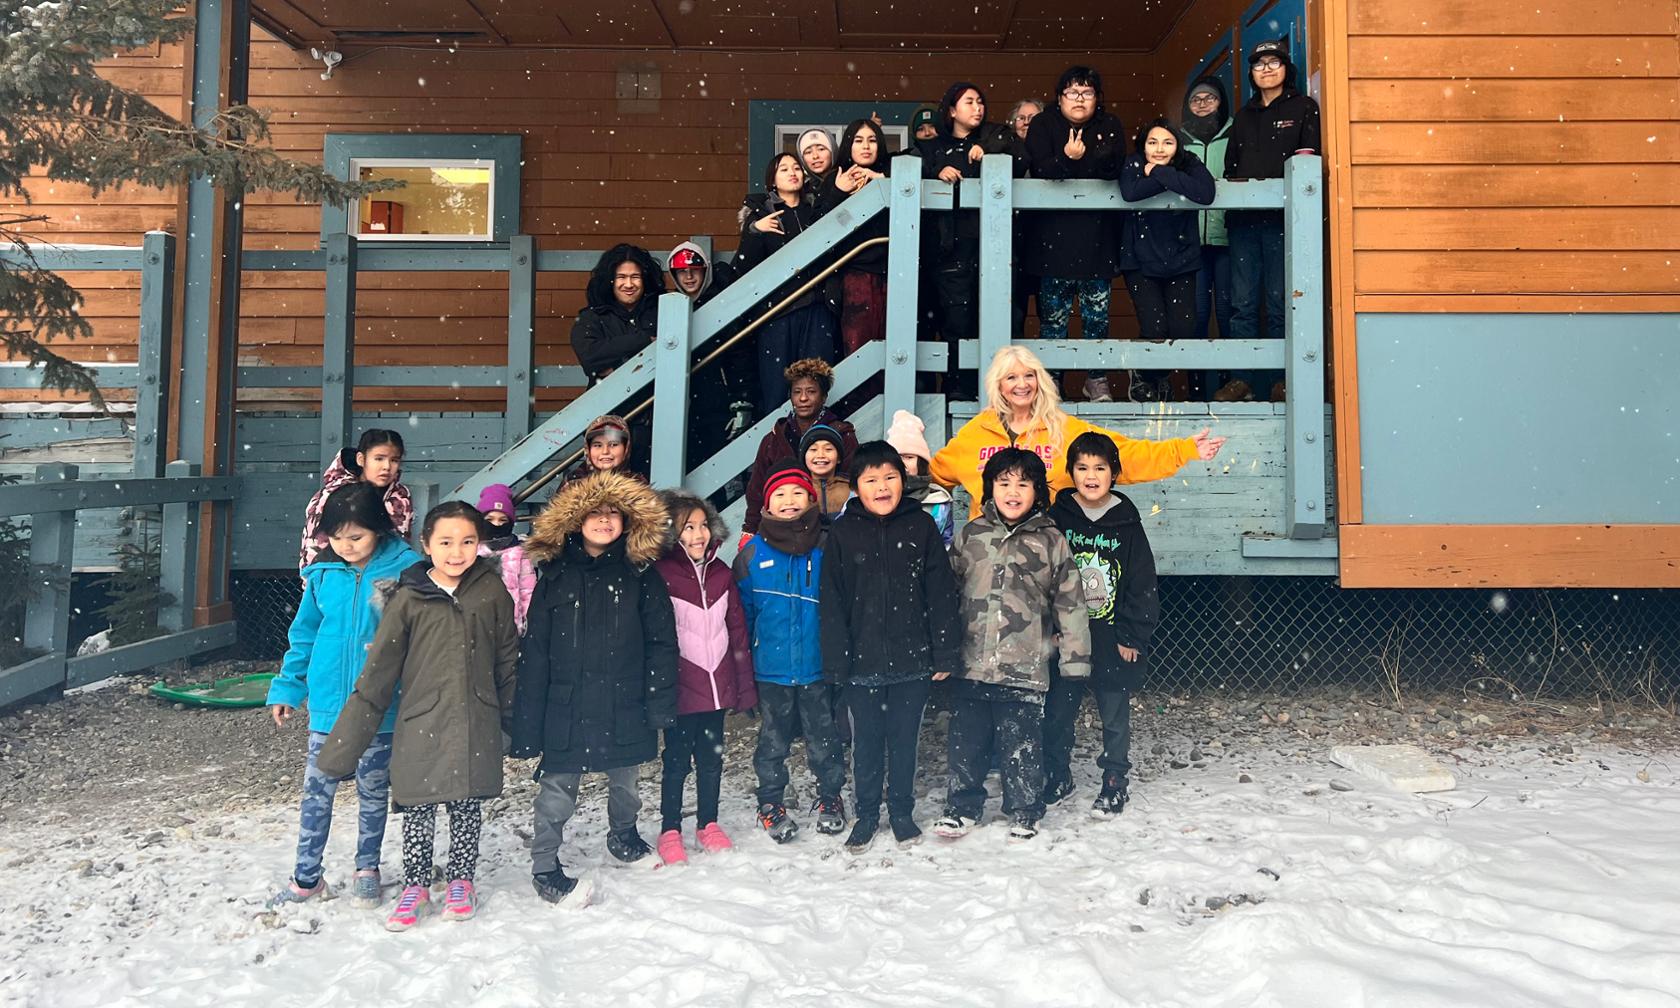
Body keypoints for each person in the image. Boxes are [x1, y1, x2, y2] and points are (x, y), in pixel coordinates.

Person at [317, 501, 518, 932]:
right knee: (419, 807)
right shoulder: (408, 597)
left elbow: (507, 660)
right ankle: (416, 885)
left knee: (466, 806)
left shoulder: (491, 592)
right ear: (426, 545)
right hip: (420, 720)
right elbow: (378, 675)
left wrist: (515, 723)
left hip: (476, 719)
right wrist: (341, 749)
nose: (456, 551)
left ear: (478, 544)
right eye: (445, 542)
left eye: (467, 541)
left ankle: (462, 879)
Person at [511, 471, 679, 900]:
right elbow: (536, 652)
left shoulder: (641, 576)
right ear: (575, 520)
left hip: (626, 700)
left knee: (627, 783)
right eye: (594, 513)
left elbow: (662, 643)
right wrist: (527, 722)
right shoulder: (556, 577)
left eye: (613, 513)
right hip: (567, 704)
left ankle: (623, 835)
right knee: (556, 793)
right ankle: (545, 863)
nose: (604, 521)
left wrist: (660, 703)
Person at [267, 483, 421, 909]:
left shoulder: (406, 570)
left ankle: (367, 867)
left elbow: (421, 632)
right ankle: (306, 875)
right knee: (318, 790)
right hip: (328, 704)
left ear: (379, 529)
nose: (347, 546)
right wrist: (288, 686)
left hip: (381, 703)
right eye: (337, 537)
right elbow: (304, 635)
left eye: (357, 537)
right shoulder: (322, 572)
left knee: (373, 791)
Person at [934, 449, 1089, 842]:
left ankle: (1024, 808)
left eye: (1023, 483)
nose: (1013, 491)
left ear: (1037, 491)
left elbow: (1070, 603)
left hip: (1025, 664)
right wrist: (941, 650)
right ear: (990, 489)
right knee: (966, 739)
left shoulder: (1051, 540)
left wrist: (1075, 660)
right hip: (971, 661)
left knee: (1021, 742)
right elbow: (946, 593)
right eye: (1004, 483)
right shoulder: (972, 535)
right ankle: (962, 806)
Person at [820, 441, 962, 853]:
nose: (882, 487)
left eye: (890, 478)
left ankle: (901, 810)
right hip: (860, 661)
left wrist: (944, 652)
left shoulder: (920, 527)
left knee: (904, 740)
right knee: (865, 741)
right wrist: (836, 658)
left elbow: (940, 594)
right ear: (857, 488)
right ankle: (866, 814)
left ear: (903, 481)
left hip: (912, 659)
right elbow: (832, 600)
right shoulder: (845, 532)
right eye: (871, 480)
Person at [930, 345, 1226, 520]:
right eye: (1011, 377)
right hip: (988, 560)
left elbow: (1121, 455)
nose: (1022, 384)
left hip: (1048, 552)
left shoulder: (1063, 428)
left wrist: (1182, 450)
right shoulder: (975, 434)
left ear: (1040, 381)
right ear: (999, 385)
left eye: (1029, 375)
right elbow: (934, 478)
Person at [1044, 433, 1160, 813]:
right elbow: (1043, 576)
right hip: (1067, 635)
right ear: (1070, 472)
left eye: (1100, 468)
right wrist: (1049, 628)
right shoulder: (1058, 517)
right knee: (1059, 710)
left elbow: (1141, 583)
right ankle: (1057, 774)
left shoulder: (1126, 522)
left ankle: (1114, 778)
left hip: (1111, 634)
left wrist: (1132, 634)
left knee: (1113, 710)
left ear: (1114, 473)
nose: (1090, 476)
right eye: (1081, 468)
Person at [734, 463, 847, 843]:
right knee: (772, 741)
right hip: (771, 670)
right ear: (766, 505)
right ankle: (770, 801)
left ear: (811, 499)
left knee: (824, 739)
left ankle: (830, 797)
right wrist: (743, 670)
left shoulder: (830, 547)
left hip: (818, 667)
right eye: (779, 495)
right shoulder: (751, 555)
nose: (788, 500)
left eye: (797, 493)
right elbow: (743, 618)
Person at [649, 489, 755, 865]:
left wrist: (743, 690)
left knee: (712, 760)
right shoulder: (660, 575)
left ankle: (709, 822)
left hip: (718, 687)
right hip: (681, 689)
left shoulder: (722, 574)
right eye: (686, 527)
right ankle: (670, 828)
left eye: (701, 525)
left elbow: (737, 632)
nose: (697, 534)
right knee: (676, 761)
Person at [1022, 66, 1128, 402]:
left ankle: (1096, 378)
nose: (1079, 99)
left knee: (1097, 320)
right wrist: (1068, 159)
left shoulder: (1109, 125)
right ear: (1059, 97)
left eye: (1087, 92)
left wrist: (1090, 159)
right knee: (1053, 323)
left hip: (1098, 240)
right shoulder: (1044, 124)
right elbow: (1040, 169)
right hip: (1051, 244)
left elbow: (1115, 167)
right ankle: (1052, 387)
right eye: (1072, 92)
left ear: (1097, 98)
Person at [1223, 38, 1321, 403]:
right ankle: (1241, 379)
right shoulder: (1243, 116)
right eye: (1258, 64)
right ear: (1251, 72)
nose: (1266, 69)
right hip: (1245, 223)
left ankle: (1282, 381)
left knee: (1281, 300)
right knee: (1243, 303)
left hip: (1286, 222)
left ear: (1286, 68)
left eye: (1273, 62)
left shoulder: (1303, 107)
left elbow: (1309, 160)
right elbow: (1230, 168)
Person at [920, 82, 1026, 399]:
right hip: (951, 253)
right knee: (956, 327)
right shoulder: (933, 147)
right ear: (952, 110)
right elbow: (909, 164)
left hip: (997, 250)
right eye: (969, 102)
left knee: (1004, 326)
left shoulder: (997, 136)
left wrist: (991, 154)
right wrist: (938, 169)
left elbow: (1022, 160)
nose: (977, 107)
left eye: (980, 101)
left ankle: (1005, 395)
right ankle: (960, 395)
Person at [1119, 117, 1217, 403]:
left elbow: (1206, 193)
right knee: (1155, 329)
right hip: (1140, 257)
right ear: (1143, 145)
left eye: (1167, 142)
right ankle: (1147, 377)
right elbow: (1131, 192)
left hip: (1181, 256)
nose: (1159, 149)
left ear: (1178, 146)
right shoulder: (1133, 163)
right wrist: (1174, 181)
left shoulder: (1190, 162)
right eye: (1152, 142)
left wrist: (1160, 173)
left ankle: (1153, 376)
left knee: (1184, 328)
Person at [736, 152, 839, 416]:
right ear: (772, 180)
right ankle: (778, 446)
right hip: (777, 311)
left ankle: (817, 442)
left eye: (796, 168)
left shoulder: (816, 210)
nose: (792, 172)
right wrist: (755, 231)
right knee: (776, 386)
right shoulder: (761, 214)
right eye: (784, 169)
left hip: (816, 306)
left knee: (817, 383)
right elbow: (744, 267)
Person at [741, 358, 858, 540]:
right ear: (790, 396)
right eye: (797, 392)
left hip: (835, 532)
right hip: (782, 531)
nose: (803, 398)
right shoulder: (774, 439)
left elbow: (855, 485)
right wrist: (750, 529)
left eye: (811, 391)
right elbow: (757, 490)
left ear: (824, 396)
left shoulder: (842, 436)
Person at [667, 242, 756, 468]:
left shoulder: (723, 303)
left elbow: (740, 353)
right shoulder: (670, 309)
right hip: (687, 402)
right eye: (682, 272)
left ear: (705, 270)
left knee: (724, 464)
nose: (688, 277)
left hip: (722, 398)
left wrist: (742, 399)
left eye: (694, 270)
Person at [1178, 76, 1235, 399]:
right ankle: (1196, 389)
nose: (1202, 103)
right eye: (1195, 98)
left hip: (1227, 239)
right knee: (1196, 316)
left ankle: (1231, 384)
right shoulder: (1178, 140)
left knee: (1228, 311)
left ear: (1220, 102)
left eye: (1209, 98)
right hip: (1191, 244)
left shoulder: (1235, 134)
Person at [817, 118, 892, 356]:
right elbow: (818, 228)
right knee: (858, 348)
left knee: (894, 346)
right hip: (854, 274)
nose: (866, 146)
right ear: (849, 145)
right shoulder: (834, 179)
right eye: (859, 140)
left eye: (872, 140)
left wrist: (882, 182)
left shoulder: (892, 174)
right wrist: (839, 191)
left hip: (894, 272)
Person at [298, 429, 411, 571]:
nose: (387, 466)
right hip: (334, 577)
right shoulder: (333, 494)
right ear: (361, 459)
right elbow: (313, 544)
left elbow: (400, 544)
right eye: (379, 458)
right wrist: (313, 584)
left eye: (394, 460)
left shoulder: (400, 497)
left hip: (384, 579)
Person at [570, 244, 665, 383]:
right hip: (608, 402)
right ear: (610, 281)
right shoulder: (591, 318)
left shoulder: (662, 312)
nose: (628, 284)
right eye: (621, 277)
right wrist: (645, 340)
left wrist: (616, 364)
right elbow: (590, 357)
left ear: (645, 280)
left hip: (656, 400)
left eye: (635, 276)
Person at [473, 483, 537, 634]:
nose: (496, 524)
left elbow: (528, 592)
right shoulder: (471, 550)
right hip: (477, 629)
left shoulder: (520, 551)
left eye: (503, 520)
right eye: (490, 519)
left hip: (511, 630)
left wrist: (529, 626)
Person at [885, 408, 954, 545]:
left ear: (921, 463)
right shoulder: (869, 495)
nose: (902, 464)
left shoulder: (938, 502)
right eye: (897, 457)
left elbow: (946, 547)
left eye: (909, 457)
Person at [1007, 98, 1046, 339]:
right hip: (1014, 247)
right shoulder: (1004, 151)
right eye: (1021, 118)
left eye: (1034, 118)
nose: (1026, 123)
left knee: (1050, 318)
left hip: (1045, 245)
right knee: (1013, 316)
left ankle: (1052, 377)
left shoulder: (1051, 152)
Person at [562, 413, 646, 486]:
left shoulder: (638, 485)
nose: (605, 451)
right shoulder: (573, 483)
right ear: (588, 449)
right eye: (598, 445)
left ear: (626, 448)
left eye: (613, 444)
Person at [800, 422, 852, 521]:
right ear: (804, 458)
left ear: (839, 458)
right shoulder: (798, 489)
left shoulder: (851, 488)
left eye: (828, 449)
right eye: (813, 449)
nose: (820, 455)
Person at [795, 127, 836, 202]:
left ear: (833, 151)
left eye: (821, 149)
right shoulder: (802, 191)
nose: (815, 156)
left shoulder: (849, 179)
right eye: (808, 152)